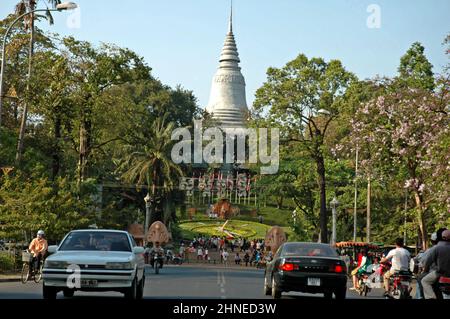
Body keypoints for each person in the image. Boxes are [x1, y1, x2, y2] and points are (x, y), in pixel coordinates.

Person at [421, 229, 450, 299]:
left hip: (441, 273)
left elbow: (427, 262)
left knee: (424, 281)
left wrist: (425, 270)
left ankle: (431, 297)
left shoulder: (436, 248)